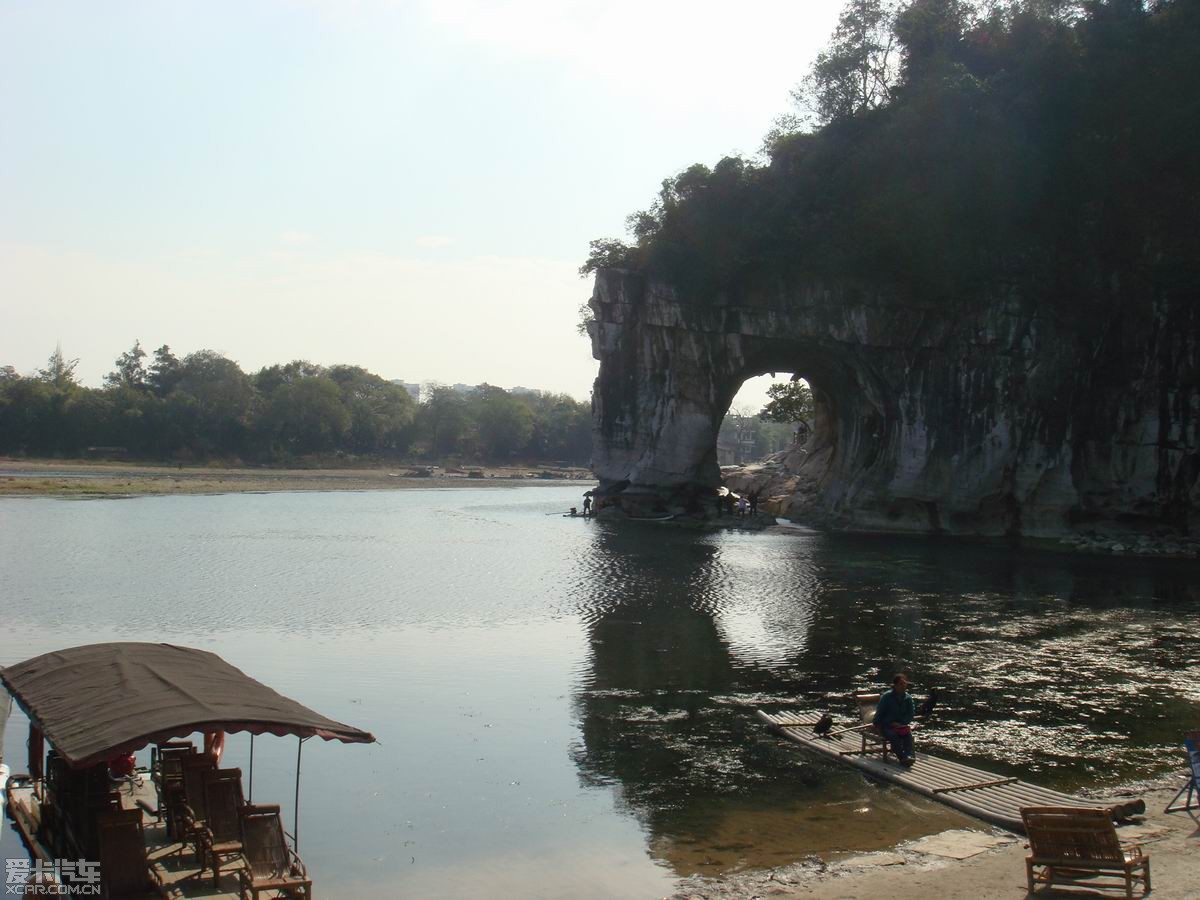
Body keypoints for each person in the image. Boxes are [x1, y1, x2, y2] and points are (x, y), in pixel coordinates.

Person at [873, 674, 916, 766]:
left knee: (907, 735)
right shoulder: (886, 697)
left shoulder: (908, 698)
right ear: (895, 685)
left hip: (901, 725)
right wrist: (889, 723)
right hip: (887, 726)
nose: (903, 686)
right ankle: (902, 757)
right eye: (901, 684)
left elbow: (911, 714)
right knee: (894, 736)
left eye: (905, 684)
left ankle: (908, 755)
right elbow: (879, 714)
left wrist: (902, 723)